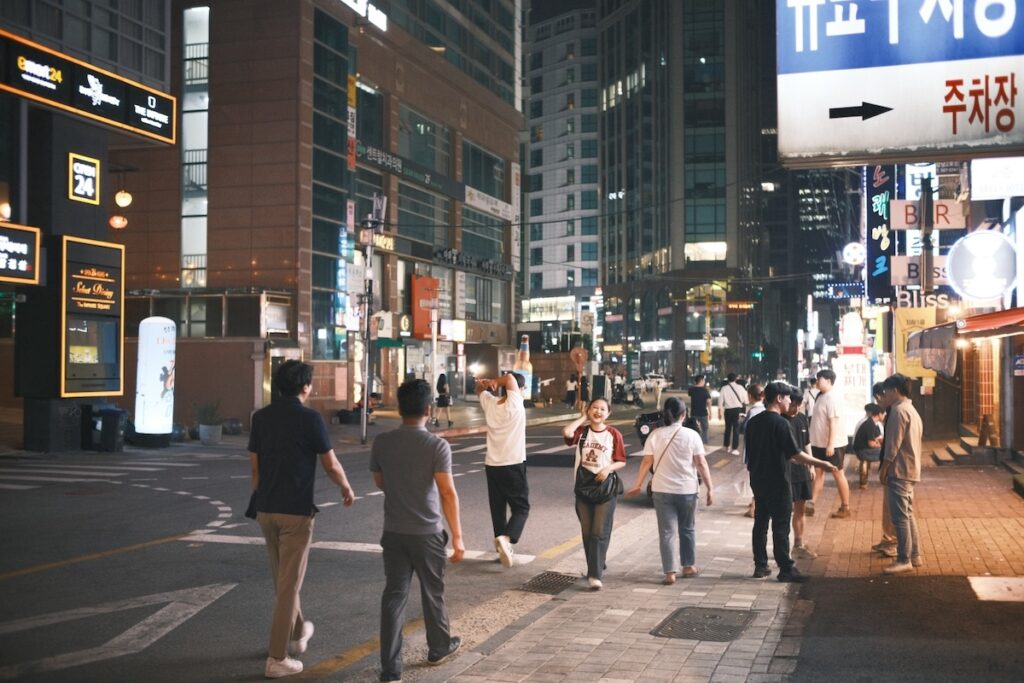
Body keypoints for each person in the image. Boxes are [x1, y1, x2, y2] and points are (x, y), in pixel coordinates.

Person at [248, 360, 356, 679]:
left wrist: (264, 494)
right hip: (295, 511)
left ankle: (296, 635)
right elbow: (331, 465)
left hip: (265, 510)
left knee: (283, 579)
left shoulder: (261, 418)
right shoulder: (310, 419)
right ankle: (276, 658)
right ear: (305, 387)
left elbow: (254, 469)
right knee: (288, 585)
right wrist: (346, 487)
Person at [371, 379, 464, 682]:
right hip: (427, 534)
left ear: (400, 409)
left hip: (394, 532)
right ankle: (438, 647)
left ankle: (390, 668)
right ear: (428, 408)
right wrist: (459, 538)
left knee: (394, 596)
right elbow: (447, 493)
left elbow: (380, 482)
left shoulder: (382, 443)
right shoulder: (437, 445)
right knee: (432, 591)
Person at [744, 382, 837, 583]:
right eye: (787, 398)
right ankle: (786, 568)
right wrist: (822, 463)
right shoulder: (780, 423)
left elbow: (750, 454)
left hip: (758, 480)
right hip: (778, 480)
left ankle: (760, 566)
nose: (790, 401)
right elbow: (795, 453)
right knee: (781, 525)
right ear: (778, 398)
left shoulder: (753, 422)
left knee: (760, 523)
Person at [626, 397, 713, 584]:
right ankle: (688, 566)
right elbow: (701, 463)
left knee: (667, 532)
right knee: (687, 529)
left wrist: (638, 484)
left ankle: (670, 573)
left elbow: (646, 462)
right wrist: (710, 488)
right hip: (688, 490)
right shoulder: (692, 435)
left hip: (662, 490)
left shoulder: (654, 435)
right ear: (684, 414)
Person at [562, 398, 627, 589]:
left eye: (602, 409)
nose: (598, 412)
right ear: (589, 411)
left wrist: (608, 469)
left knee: (599, 531)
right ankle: (597, 563)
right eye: (594, 409)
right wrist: (583, 417)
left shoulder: (614, 434)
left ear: (608, 413)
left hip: (605, 488)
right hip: (583, 487)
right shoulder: (582, 432)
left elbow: (621, 460)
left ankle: (595, 575)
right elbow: (567, 432)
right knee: (587, 532)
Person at [477, 372, 529, 568]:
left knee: (497, 509)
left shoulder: (490, 404)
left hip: (492, 465)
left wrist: (483, 384)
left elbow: (479, 390)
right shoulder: (515, 404)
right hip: (513, 463)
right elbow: (509, 378)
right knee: (521, 507)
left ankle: (501, 550)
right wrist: (494, 381)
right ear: (518, 390)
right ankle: (506, 540)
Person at [878, 373, 924, 575]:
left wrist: (884, 468)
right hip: (910, 468)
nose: (884, 396)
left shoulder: (898, 411)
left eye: (886, 392)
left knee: (900, 517)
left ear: (895, 390)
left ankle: (904, 558)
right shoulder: (911, 410)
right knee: (907, 514)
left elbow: (892, 446)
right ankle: (915, 555)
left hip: (900, 469)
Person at [808, 369, 852, 518]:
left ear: (828, 380)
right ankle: (811, 504)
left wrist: (831, 444)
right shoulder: (821, 395)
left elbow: (834, 422)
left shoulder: (832, 398)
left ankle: (845, 507)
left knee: (838, 473)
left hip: (833, 444)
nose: (817, 382)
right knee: (818, 473)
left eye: (819, 379)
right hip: (819, 443)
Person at [785, 387, 816, 559]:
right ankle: (782, 547)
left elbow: (807, 443)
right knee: (784, 509)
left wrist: (811, 465)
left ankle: (799, 543)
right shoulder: (780, 420)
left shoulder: (802, 418)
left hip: (802, 470)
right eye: (792, 405)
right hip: (786, 471)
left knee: (801, 508)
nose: (794, 409)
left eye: (798, 405)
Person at [740, 383, 765, 518]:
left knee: (756, 481)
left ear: (750, 396)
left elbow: (749, 433)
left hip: (754, 452)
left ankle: (754, 508)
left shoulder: (753, 412)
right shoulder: (765, 410)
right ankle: (754, 505)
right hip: (763, 452)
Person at [852, 404, 885, 489]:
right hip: (862, 451)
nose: (884, 416)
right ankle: (885, 477)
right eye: (883, 414)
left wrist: (879, 443)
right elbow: (871, 444)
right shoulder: (869, 424)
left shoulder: (872, 423)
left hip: (863, 449)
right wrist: (880, 445)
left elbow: (877, 438)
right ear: (879, 414)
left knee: (885, 450)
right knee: (887, 453)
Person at [718, 373, 747, 455]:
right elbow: (746, 400)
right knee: (736, 429)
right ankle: (734, 448)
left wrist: (719, 412)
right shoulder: (740, 388)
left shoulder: (724, 388)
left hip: (727, 410)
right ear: (735, 379)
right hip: (737, 410)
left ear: (728, 379)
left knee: (727, 428)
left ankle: (726, 446)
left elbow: (720, 401)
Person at [687, 375, 712, 444]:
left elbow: (690, 395)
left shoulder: (691, 389)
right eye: (703, 380)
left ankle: (694, 442)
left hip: (694, 412)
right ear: (701, 381)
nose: (704, 382)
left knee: (694, 429)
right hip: (703, 413)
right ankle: (704, 443)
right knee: (705, 429)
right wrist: (710, 412)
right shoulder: (705, 391)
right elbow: (709, 402)